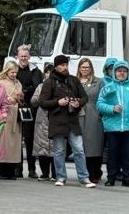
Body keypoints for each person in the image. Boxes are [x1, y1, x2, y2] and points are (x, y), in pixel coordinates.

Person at [37, 55, 96, 188]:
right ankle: (61, 177)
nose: (65, 67)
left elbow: (84, 97)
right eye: (62, 65)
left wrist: (77, 103)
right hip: (57, 121)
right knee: (59, 150)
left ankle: (84, 178)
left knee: (79, 150)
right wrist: (58, 102)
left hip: (72, 121)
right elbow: (42, 102)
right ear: (56, 66)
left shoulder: (73, 80)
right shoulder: (49, 82)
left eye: (66, 65)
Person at [98, 60, 129, 187]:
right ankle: (111, 178)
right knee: (112, 155)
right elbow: (99, 104)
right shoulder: (108, 87)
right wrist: (112, 108)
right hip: (112, 127)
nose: (121, 73)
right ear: (114, 73)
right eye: (119, 71)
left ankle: (127, 179)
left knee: (128, 155)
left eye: (124, 71)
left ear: (128, 73)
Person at [15, 45, 44, 179]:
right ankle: (17, 168)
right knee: (15, 140)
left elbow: (37, 86)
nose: (23, 58)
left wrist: (24, 91)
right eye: (21, 56)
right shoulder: (13, 69)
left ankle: (32, 169)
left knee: (29, 139)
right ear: (17, 56)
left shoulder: (36, 71)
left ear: (29, 57)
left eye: (25, 56)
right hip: (15, 107)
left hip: (29, 109)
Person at [0, 61, 24, 180]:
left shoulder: (18, 83)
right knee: (3, 142)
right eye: (12, 72)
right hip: (4, 114)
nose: (14, 75)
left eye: (16, 72)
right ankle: (0, 170)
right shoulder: (0, 82)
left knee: (14, 144)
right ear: (7, 71)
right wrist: (7, 99)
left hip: (15, 115)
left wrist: (20, 97)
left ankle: (11, 170)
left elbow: (21, 100)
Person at [77, 57, 104, 183]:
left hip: (93, 115)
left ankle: (95, 172)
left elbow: (103, 98)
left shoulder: (98, 82)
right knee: (81, 146)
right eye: (82, 67)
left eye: (87, 67)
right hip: (78, 115)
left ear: (91, 68)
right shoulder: (75, 81)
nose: (85, 69)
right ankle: (84, 173)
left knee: (94, 145)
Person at [31, 63, 55, 181]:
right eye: (47, 72)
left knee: (55, 148)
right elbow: (33, 101)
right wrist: (41, 97)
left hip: (55, 119)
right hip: (42, 120)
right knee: (42, 147)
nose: (49, 75)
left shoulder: (60, 85)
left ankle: (56, 174)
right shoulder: (40, 86)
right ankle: (44, 173)